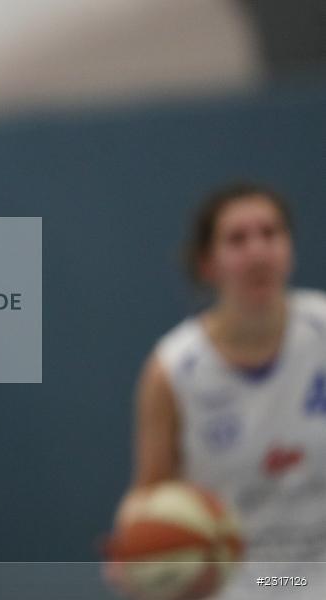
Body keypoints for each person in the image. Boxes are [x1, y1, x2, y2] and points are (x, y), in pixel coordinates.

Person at [114, 183, 326, 599]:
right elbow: (147, 494)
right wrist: (137, 546)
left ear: (289, 249)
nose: (258, 251)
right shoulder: (173, 369)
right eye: (237, 239)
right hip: (236, 585)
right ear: (208, 264)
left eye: (270, 233)